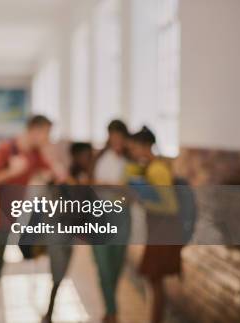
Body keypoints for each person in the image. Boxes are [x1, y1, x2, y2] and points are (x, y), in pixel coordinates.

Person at [0, 115, 52, 323]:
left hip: (7, 218)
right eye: (46, 134)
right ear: (35, 130)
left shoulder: (33, 152)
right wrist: (11, 171)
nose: (47, 139)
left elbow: (49, 169)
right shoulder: (6, 150)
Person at [127, 126, 181, 323]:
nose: (132, 152)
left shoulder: (157, 170)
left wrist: (142, 199)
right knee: (154, 280)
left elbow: (170, 206)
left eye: (134, 148)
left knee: (154, 279)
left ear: (144, 147)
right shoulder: (151, 168)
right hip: (158, 231)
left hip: (164, 232)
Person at [40, 142, 92, 323]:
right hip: (58, 231)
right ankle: (49, 313)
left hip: (68, 233)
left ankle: (49, 311)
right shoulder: (66, 178)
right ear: (76, 157)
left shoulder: (83, 177)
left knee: (61, 274)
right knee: (57, 273)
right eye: (86, 156)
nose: (89, 159)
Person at [92, 120, 131, 323]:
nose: (116, 141)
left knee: (115, 265)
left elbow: (132, 193)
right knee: (103, 265)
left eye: (120, 138)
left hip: (122, 216)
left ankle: (109, 308)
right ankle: (113, 312)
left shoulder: (130, 162)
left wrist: (115, 188)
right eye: (112, 137)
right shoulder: (100, 158)